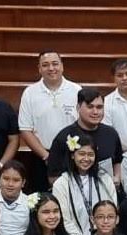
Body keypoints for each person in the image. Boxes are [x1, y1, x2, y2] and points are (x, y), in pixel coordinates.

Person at [18, 51, 82, 191]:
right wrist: (46, 156)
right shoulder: (30, 93)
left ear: (62, 66)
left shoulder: (76, 90)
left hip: (71, 155)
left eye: (55, 64)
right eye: (45, 65)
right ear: (40, 69)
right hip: (41, 157)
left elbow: (82, 125)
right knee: (41, 201)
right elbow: (25, 129)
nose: (51, 68)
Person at [52, 133, 118, 235]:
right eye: (81, 154)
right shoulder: (61, 184)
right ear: (73, 155)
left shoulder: (105, 179)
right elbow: (64, 220)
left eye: (90, 154)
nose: (86, 159)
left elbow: (112, 212)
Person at [47, 88, 123, 184]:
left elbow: (117, 161)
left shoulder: (111, 134)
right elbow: (53, 177)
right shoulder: (64, 137)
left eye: (99, 107)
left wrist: (117, 177)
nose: (95, 112)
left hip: (106, 192)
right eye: (90, 107)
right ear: (78, 108)